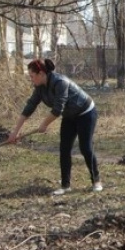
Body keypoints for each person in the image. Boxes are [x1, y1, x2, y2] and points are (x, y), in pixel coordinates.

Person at [10, 58, 101, 196]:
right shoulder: (40, 88)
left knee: (85, 148)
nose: (31, 79)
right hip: (69, 116)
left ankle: (96, 181)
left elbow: (58, 109)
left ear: (41, 73)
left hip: (86, 113)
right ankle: (65, 186)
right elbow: (29, 107)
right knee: (64, 148)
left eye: (32, 76)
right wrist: (15, 133)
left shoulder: (60, 82)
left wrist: (44, 124)